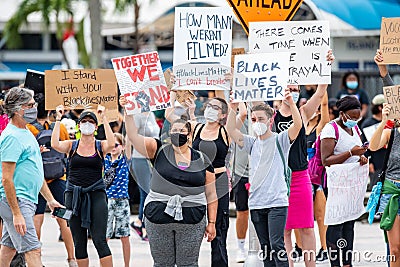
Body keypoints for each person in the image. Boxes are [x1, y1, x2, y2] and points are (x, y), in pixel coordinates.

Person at [122, 96, 218, 267]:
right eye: (175, 130)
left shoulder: (202, 159)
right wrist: (128, 114)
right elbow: (133, 137)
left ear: (189, 136)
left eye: (182, 131)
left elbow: (211, 194)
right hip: (158, 218)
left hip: (192, 220)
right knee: (162, 263)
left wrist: (211, 223)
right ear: (168, 133)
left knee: (188, 264)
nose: (178, 134)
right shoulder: (157, 150)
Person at [226, 89, 302, 267]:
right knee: (266, 247)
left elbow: (297, 126)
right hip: (257, 203)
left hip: (277, 202)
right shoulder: (252, 143)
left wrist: (291, 103)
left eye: (260, 119)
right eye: (254, 120)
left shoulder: (280, 139)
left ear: (270, 120)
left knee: (277, 244)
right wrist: (232, 109)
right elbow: (231, 130)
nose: (257, 123)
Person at [273, 50, 334, 267]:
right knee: (284, 230)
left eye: (295, 88)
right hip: (277, 179)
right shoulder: (269, 116)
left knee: (307, 227)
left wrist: (325, 65)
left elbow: (320, 92)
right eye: (288, 88)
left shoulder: (304, 112)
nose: (292, 91)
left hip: (300, 177)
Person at [165, 91, 231, 267]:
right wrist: (173, 95)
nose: (210, 110)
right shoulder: (197, 127)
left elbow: (239, 112)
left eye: (216, 108)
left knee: (218, 231)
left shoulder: (225, 131)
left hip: (218, 181)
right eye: (209, 106)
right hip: (197, 181)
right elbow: (169, 116)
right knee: (189, 228)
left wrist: (228, 86)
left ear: (223, 114)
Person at [0, 87, 63, 267]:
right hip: (17, 201)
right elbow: (6, 178)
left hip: (25, 199)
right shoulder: (12, 137)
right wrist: (16, 213)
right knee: (33, 250)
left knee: (8, 249)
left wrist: (50, 200)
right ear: (18, 109)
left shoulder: (26, 132)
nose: (35, 107)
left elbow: (35, 172)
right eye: (30, 105)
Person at [51, 105, 115, 267]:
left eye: (91, 122)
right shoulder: (71, 145)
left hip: (96, 193)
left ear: (95, 126)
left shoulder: (100, 146)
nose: (87, 124)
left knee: (100, 240)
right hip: (73, 195)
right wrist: (58, 119)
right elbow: (54, 144)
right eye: (84, 121)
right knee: (79, 242)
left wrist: (103, 118)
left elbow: (112, 143)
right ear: (79, 125)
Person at [26, 102, 77, 267]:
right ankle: (72, 258)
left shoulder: (28, 129)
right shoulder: (59, 127)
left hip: (37, 179)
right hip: (58, 178)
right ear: (48, 111)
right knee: (64, 220)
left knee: (37, 219)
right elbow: (66, 148)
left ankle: (37, 258)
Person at [320, 96, 368, 267]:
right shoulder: (330, 129)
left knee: (349, 223)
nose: (355, 121)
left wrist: (361, 157)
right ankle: (335, 263)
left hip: (351, 182)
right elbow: (326, 159)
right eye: (352, 117)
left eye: (358, 117)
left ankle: (347, 262)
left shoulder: (355, 129)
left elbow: (357, 150)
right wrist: (350, 153)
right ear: (342, 114)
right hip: (335, 183)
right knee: (336, 224)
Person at [306, 92, 330, 263]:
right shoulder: (299, 126)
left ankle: (325, 247)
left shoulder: (320, 128)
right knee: (304, 217)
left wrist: (323, 85)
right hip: (301, 176)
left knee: (321, 215)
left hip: (318, 177)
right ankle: (302, 248)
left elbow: (325, 105)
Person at [129, 111, 160, 241]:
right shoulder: (138, 116)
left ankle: (139, 222)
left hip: (153, 157)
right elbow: (131, 136)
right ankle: (144, 226)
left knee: (149, 192)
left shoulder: (151, 114)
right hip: (140, 157)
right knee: (147, 192)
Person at [228, 102, 250, 263]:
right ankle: (241, 247)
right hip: (241, 173)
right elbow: (241, 114)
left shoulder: (265, 116)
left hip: (262, 173)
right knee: (242, 211)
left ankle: (263, 246)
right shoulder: (237, 120)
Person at [105, 133, 131, 267]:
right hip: (106, 200)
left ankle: (127, 265)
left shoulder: (125, 160)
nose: (113, 148)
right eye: (112, 145)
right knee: (105, 236)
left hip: (122, 200)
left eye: (117, 145)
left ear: (123, 146)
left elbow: (131, 139)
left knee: (124, 236)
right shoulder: (104, 160)